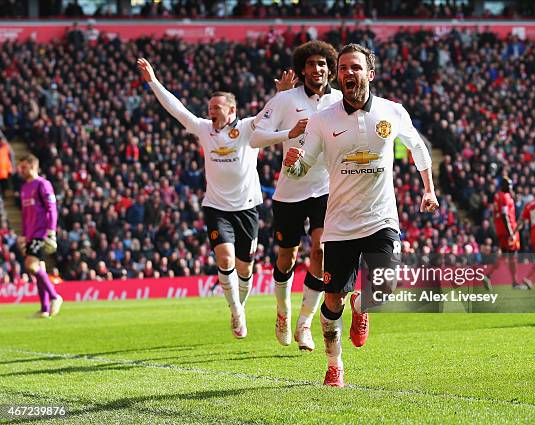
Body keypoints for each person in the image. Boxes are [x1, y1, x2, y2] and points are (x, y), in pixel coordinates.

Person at [283, 44, 438, 386]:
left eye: (355, 68)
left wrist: (428, 189)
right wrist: (291, 165)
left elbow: (417, 147)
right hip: (339, 225)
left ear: (370, 73)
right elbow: (304, 165)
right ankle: (334, 365)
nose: (347, 73)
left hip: (381, 218)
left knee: (383, 287)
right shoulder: (323, 119)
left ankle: (363, 306)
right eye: (342, 69)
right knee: (332, 301)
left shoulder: (392, 112)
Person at [137, 58, 292, 338]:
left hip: (246, 208)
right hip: (216, 208)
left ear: (231, 110)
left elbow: (269, 114)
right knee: (225, 259)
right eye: (209, 108)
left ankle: (239, 306)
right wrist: (153, 81)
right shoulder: (203, 129)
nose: (211, 112)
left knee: (246, 269)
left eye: (216, 108)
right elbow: (177, 110)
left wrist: (281, 94)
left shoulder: (246, 128)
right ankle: (236, 312)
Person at [251, 41, 343, 351]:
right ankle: (283, 312)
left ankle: (305, 323)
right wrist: (287, 134)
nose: (317, 69)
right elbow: (254, 138)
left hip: (325, 188)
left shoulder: (341, 101)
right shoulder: (285, 100)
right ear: (302, 69)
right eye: (311, 64)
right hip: (290, 190)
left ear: (330, 69)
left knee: (321, 252)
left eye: (322, 64)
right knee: (287, 256)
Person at [17, 154, 62, 318]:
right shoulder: (24, 188)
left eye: (23, 167)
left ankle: (55, 297)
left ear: (33, 166)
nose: (20, 170)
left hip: (41, 231)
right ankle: (44, 309)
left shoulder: (43, 184)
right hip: (30, 234)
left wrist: (51, 230)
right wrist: (23, 234)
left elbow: (52, 209)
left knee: (31, 266)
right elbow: (24, 214)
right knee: (39, 269)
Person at [482, 176, 526, 290]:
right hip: (508, 229)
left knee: (505, 254)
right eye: (508, 185)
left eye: (511, 185)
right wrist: (511, 232)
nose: (510, 187)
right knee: (512, 255)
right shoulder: (505, 197)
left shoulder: (498, 196)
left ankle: (489, 276)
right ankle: (514, 282)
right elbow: (504, 215)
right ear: (503, 186)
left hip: (501, 229)